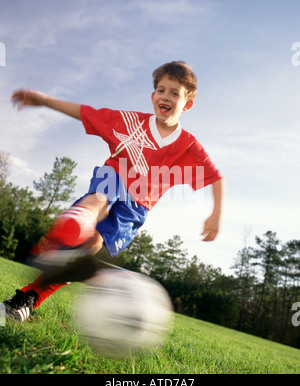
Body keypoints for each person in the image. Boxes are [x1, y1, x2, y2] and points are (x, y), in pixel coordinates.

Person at [3, 61, 224, 322]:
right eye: (161, 90)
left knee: (93, 243)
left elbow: (215, 177)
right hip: (115, 176)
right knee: (99, 199)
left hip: (139, 205)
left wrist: (215, 215)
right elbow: (86, 112)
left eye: (174, 92)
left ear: (187, 103)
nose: (165, 96)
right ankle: (73, 225)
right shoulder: (130, 122)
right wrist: (45, 101)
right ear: (153, 96)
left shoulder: (189, 146)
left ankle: (28, 299)